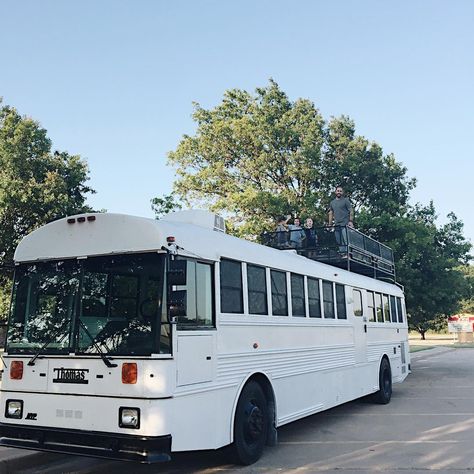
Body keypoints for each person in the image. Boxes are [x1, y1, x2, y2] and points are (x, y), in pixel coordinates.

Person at [328, 186, 354, 255]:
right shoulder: (332, 202)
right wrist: (330, 224)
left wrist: (350, 221)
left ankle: (348, 254)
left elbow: (351, 210)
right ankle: (342, 254)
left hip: (345, 224)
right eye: (338, 191)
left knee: (345, 240)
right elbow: (330, 213)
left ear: (342, 192)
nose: (339, 192)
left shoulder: (345, 200)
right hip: (337, 225)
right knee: (339, 241)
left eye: (340, 191)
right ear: (335, 192)